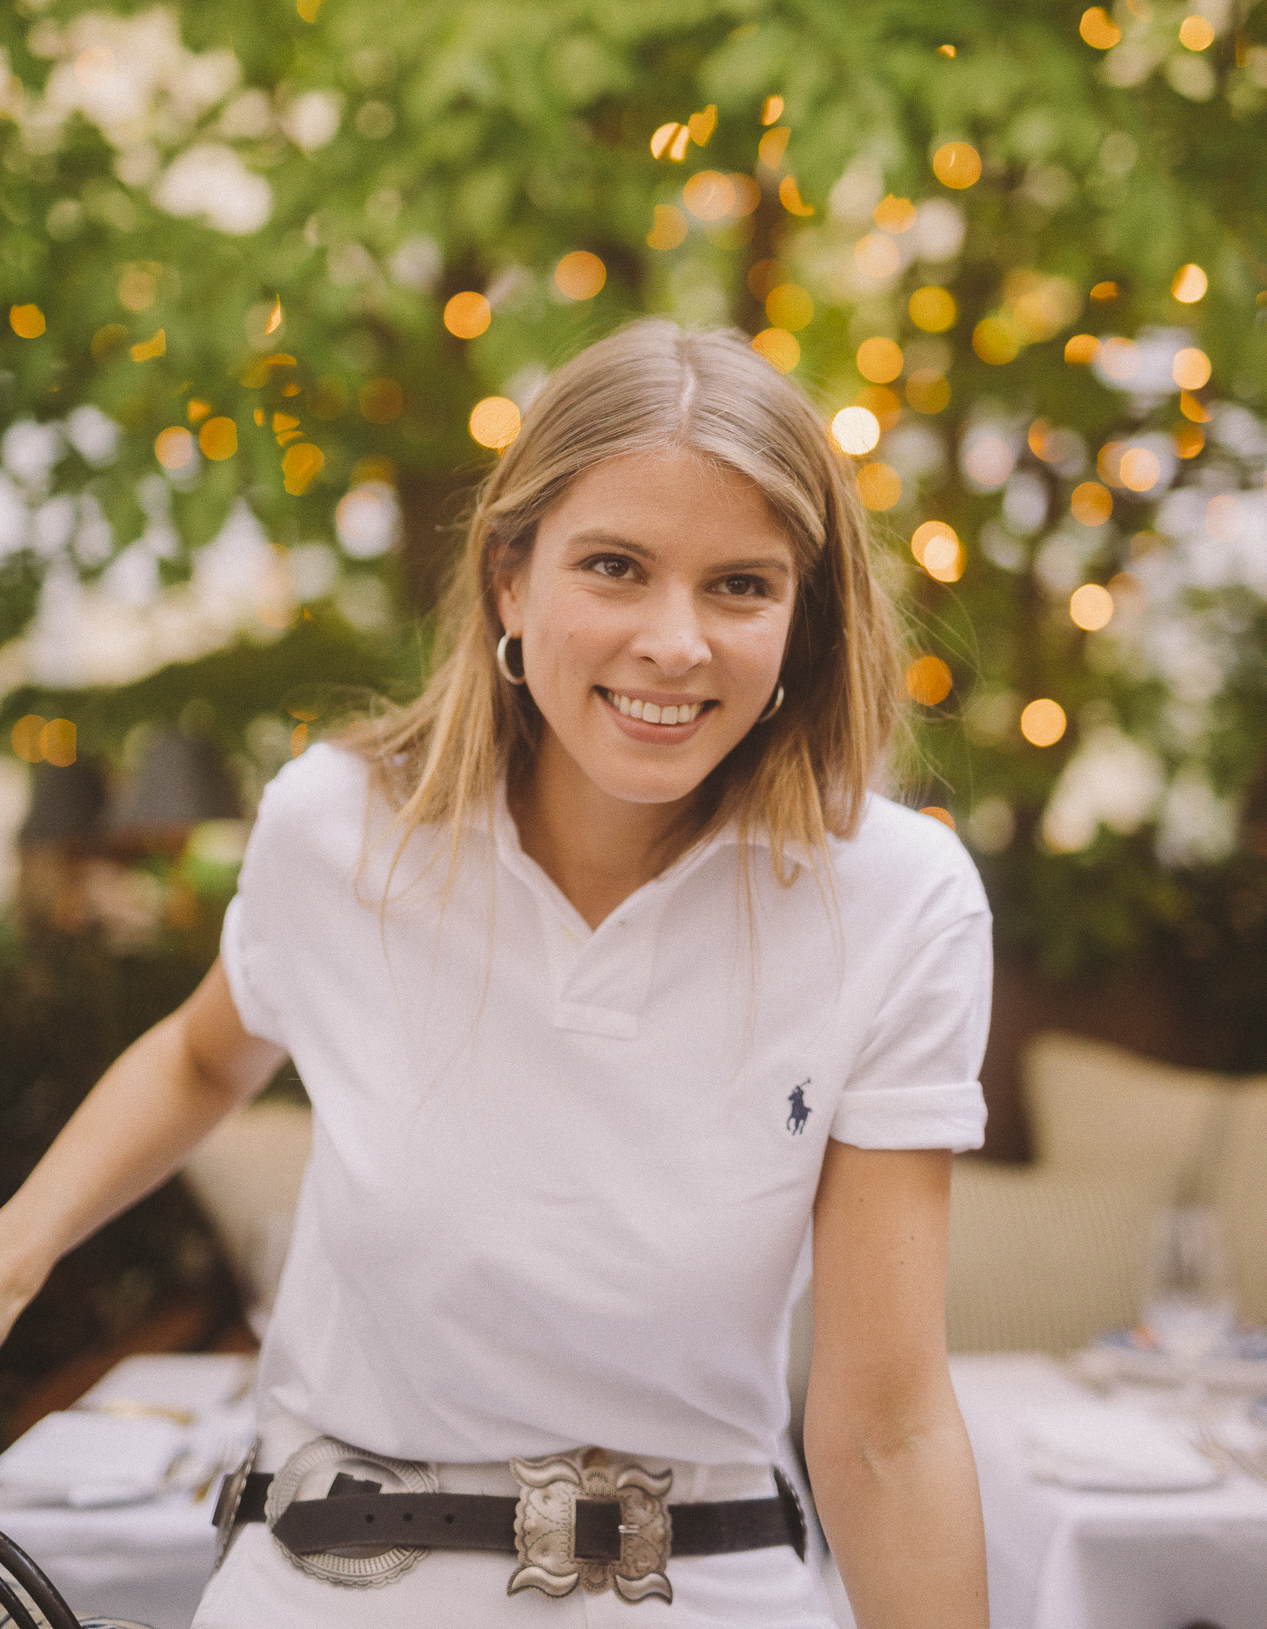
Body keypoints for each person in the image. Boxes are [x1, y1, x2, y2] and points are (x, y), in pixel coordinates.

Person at [0, 321, 991, 1629]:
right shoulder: (340, 830)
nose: (675, 641)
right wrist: (18, 1248)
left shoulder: (899, 901)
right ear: (510, 580)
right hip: (330, 1583)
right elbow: (199, 1055)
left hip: (705, 1587)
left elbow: (886, 1431)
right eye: (615, 567)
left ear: (802, 620)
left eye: (741, 585)